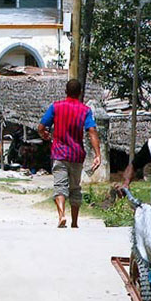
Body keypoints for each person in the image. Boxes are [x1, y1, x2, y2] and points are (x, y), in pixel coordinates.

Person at [38, 78, 102, 228]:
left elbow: (41, 126)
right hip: (76, 155)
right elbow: (92, 131)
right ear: (80, 93)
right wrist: (98, 154)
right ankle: (74, 222)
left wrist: (45, 135)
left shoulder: (56, 107)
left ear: (66, 91)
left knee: (60, 185)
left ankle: (61, 215)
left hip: (59, 153)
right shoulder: (85, 110)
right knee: (75, 188)